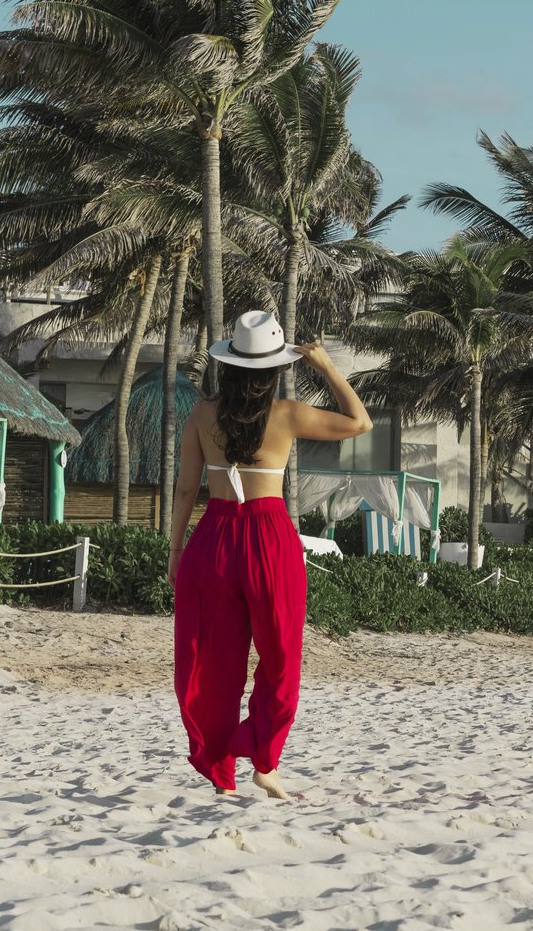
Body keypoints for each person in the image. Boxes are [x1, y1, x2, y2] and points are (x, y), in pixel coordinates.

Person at [167, 311, 371, 798]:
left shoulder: (202, 413)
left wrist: (175, 549)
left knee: (211, 661)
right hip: (269, 537)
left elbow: (185, 489)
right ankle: (264, 762)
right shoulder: (289, 414)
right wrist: (325, 365)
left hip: (212, 537)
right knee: (281, 658)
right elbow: (360, 421)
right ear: (276, 368)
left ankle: (221, 770)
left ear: (230, 363)